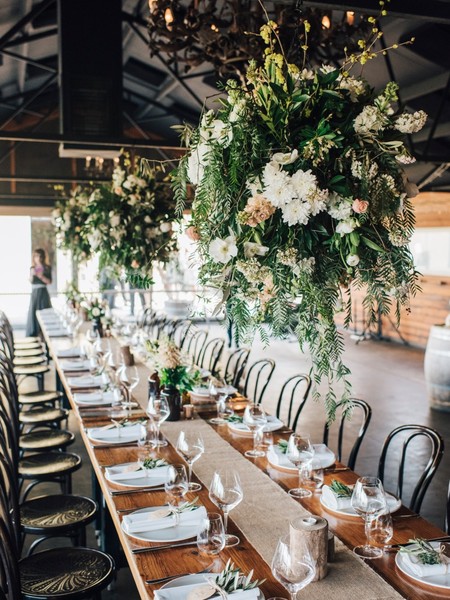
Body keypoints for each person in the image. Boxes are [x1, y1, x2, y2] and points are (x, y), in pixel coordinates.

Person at [25, 248, 52, 337]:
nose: (38, 258)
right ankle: (35, 334)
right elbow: (31, 281)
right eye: (36, 256)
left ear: (43, 257)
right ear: (34, 257)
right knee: (34, 313)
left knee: (45, 311)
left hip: (43, 293)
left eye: (40, 256)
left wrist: (41, 276)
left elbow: (49, 281)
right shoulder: (32, 268)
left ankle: (45, 334)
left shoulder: (47, 268)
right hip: (35, 293)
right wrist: (32, 275)